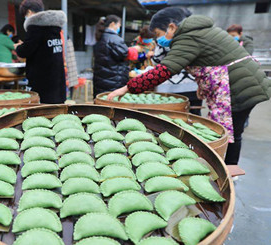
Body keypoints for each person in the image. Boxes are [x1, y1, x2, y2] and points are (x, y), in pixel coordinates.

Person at [108, 7, 271, 165]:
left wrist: (126, 88)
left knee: (229, 131)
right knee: (231, 130)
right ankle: (227, 164)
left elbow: (164, 70)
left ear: (171, 27)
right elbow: (211, 60)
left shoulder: (188, 36)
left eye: (159, 34)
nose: (159, 40)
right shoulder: (200, 31)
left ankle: (227, 168)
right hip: (243, 80)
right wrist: (202, 85)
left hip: (240, 86)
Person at [15, 0, 67, 104]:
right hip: (56, 78)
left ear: (29, 12)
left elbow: (25, 51)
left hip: (42, 79)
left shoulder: (35, 27)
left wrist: (18, 47)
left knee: (42, 109)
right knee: (56, 107)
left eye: (25, 14)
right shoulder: (54, 27)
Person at [93, 15, 130, 97]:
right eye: (119, 25)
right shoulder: (115, 39)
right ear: (113, 24)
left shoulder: (100, 37)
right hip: (114, 81)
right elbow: (124, 54)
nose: (119, 27)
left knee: (101, 102)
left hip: (100, 79)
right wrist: (133, 50)